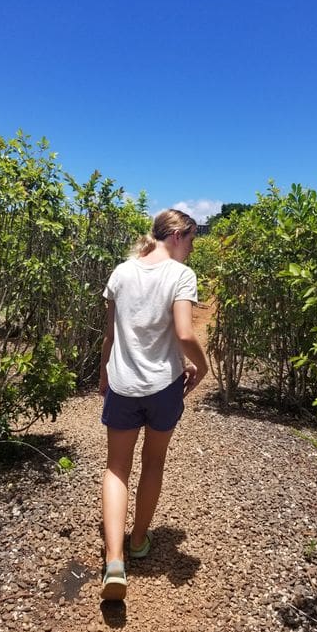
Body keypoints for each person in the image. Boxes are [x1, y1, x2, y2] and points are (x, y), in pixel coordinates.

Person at [99, 208, 209, 600]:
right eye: (192, 240)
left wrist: (103, 375)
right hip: (163, 387)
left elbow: (109, 336)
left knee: (116, 468)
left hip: (123, 385)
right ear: (177, 235)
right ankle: (139, 541)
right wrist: (204, 365)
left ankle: (114, 561)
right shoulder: (181, 276)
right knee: (153, 463)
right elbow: (184, 333)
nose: (192, 249)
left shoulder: (121, 272)